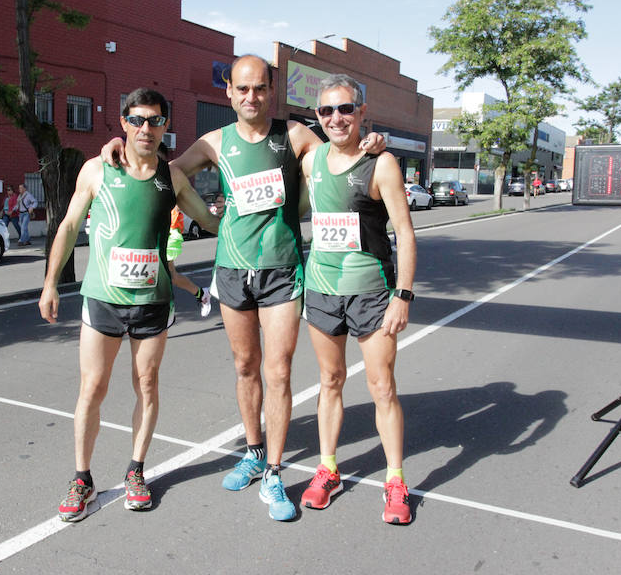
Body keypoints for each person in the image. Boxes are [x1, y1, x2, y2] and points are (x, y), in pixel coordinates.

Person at [102, 54, 384, 521]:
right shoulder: (213, 142)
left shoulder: (294, 135)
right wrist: (120, 141)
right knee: (245, 366)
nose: (251, 96)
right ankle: (253, 452)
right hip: (232, 269)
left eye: (260, 88)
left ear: (271, 92)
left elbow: (339, 157)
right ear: (229, 93)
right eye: (243, 89)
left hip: (281, 270)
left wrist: (370, 140)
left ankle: (274, 472)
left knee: (278, 372)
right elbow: (158, 169)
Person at [39, 88, 219, 522]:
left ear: (165, 126)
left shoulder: (172, 177)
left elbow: (208, 221)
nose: (145, 128)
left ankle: (136, 471)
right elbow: (68, 226)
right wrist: (50, 284)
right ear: (123, 123)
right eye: (137, 119)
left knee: (148, 385)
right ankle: (82, 479)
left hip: (153, 302)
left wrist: (248, 213)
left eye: (154, 120)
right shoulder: (98, 168)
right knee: (92, 388)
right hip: (103, 299)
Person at [298, 74, 416, 524]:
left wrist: (402, 295)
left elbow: (405, 233)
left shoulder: (381, 163)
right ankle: (327, 469)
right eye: (326, 110)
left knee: (382, 386)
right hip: (322, 290)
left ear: (361, 112)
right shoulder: (311, 159)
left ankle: (395, 479)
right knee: (330, 380)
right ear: (317, 116)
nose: (336, 118)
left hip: (371, 292)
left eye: (345, 109)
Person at [167, 205, 212, 317]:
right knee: (170, 277)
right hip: (147, 227)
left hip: (167, 228)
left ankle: (164, 314)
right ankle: (202, 294)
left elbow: (181, 198)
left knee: (168, 276)